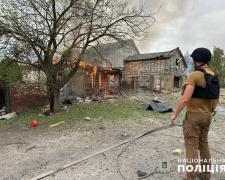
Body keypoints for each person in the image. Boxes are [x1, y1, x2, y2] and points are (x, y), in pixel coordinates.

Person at [170, 48, 220, 180]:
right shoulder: (214, 75)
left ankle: (190, 177)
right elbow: (216, 99)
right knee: (204, 146)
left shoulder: (194, 75)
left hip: (193, 117)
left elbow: (185, 99)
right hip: (207, 116)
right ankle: (206, 175)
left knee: (191, 148)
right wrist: (211, 111)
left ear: (197, 60)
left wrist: (174, 114)